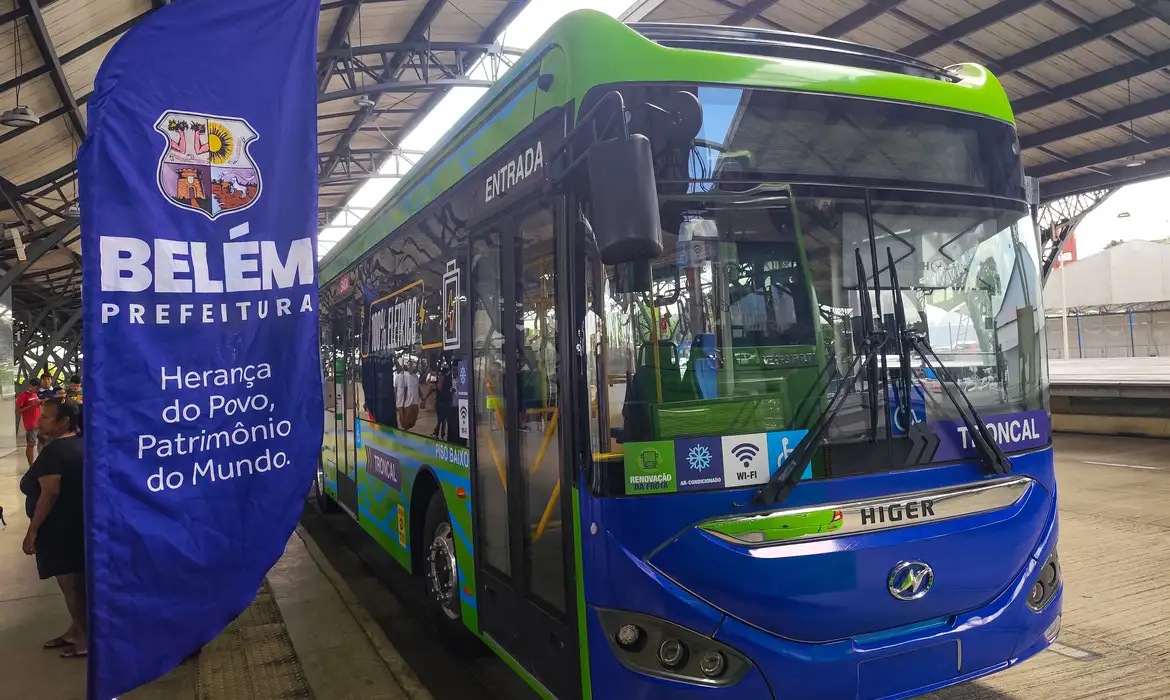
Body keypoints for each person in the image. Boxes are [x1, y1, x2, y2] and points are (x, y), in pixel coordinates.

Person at [20, 399, 86, 658]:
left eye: (47, 417)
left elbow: (49, 493)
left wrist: (32, 531)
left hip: (59, 529)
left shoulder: (55, 452)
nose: (40, 421)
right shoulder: (78, 444)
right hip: (74, 525)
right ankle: (76, 630)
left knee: (71, 585)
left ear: (64, 423)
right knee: (75, 583)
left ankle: (83, 638)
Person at [16, 378, 44, 467]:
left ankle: (42, 461)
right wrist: (32, 405)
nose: (37, 390)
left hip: (39, 422)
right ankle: (31, 465)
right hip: (30, 424)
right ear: (30, 386)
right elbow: (17, 411)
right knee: (31, 444)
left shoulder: (35, 394)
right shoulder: (23, 396)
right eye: (36, 388)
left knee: (43, 441)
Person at [395, 360, 421, 430]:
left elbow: (418, 388)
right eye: (409, 365)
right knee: (404, 420)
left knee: (412, 421)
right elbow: (403, 389)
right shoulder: (404, 376)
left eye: (411, 365)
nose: (410, 367)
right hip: (407, 401)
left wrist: (423, 398)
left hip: (415, 401)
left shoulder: (416, 377)